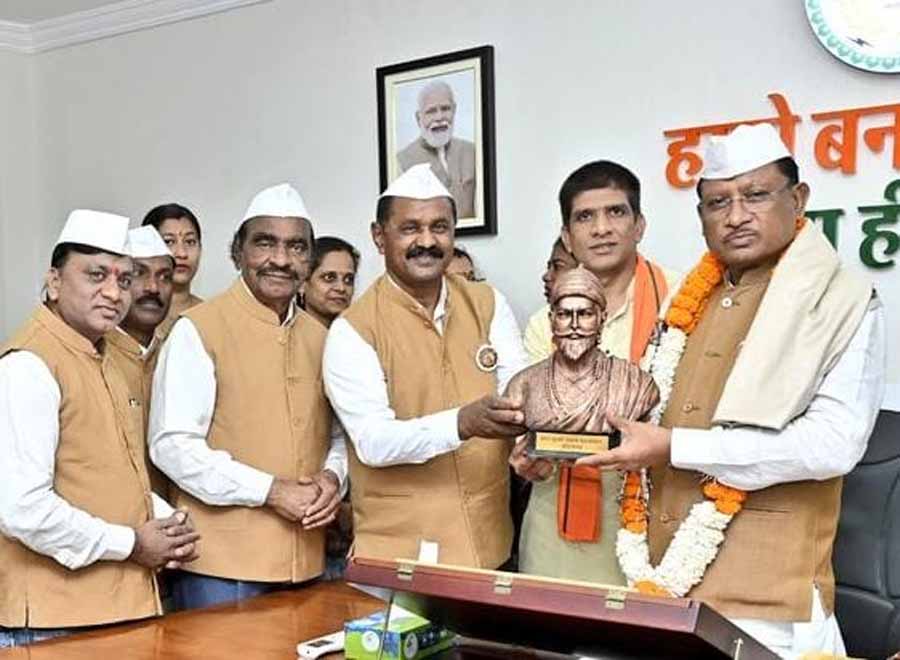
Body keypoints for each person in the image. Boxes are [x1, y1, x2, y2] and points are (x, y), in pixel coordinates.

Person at [577, 123, 886, 658]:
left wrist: (675, 447)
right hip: (662, 587)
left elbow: (832, 445)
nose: (736, 215)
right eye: (718, 202)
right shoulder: (686, 297)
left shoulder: (845, 301)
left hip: (768, 607)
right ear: (701, 216)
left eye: (756, 195)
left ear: (798, 199)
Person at [0, 210, 199, 647]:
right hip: (56, 620)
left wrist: (168, 524)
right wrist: (132, 543)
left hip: (116, 607)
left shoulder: (104, 356)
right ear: (54, 282)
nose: (113, 292)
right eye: (96, 275)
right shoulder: (29, 365)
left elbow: (105, 472)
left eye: (124, 279)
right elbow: (23, 509)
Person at [149, 183, 348, 610]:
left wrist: (333, 479)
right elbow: (172, 445)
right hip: (221, 568)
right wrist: (271, 491)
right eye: (265, 243)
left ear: (309, 260)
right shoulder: (199, 329)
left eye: (296, 247)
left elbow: (338, 435)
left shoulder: (322, 338)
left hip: (307, 561)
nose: (281, 259)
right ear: (238, 252)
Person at [323, 163, 528, 568]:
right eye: (410, 228)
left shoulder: (487, 303)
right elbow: (373, 441)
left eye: (439, 227)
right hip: (402, 558)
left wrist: (528, 440)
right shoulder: (353, 330)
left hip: (490, 544)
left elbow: (517, 390)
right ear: (379, 236)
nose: (427, 241)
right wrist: (462, 423)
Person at [512, 160, 678, 584]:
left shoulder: (680, 304)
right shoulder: (543, 324)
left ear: (639, 225)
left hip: (659, 527)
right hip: (556, 536)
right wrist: (525, 455)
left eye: (615, 212)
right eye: (585, 217)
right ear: (568, 236)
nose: (602, 229)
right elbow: (533, 424)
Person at [506, 266, 659, 491]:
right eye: (564, 314)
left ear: (602, 319)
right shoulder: (523, 385)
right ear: (551, 320)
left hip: (617, 494)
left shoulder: (636, 384)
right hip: (547, 496)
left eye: (585, 314)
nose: (574, 325)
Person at [106, 226, 176, 495]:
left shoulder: (176, 352)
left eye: (165, 277)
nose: (153, 288)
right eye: (139, 273)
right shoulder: (96, 355)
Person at [397, 80, 476, 218]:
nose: (439, 117)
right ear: (418, 118)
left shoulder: (472, 151)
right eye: (431, 111)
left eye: (445, 109)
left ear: (454, 110)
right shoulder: (402, 160)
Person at [142, 203, 203, 333]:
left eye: (190, 242)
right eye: (169, 242)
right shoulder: (129, 315)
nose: (182, 253)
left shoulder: (211, 316)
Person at [522, 237, 578, 362]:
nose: (546, 276)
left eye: (558, 267)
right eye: (549, 267)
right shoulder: (541, 323)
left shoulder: (616, 316)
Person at [300, 236, 360, 327]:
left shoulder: (362, 333)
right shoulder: (283, 333)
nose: (341, 288)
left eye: (348, 279)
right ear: (301, 284)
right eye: (329, 278)